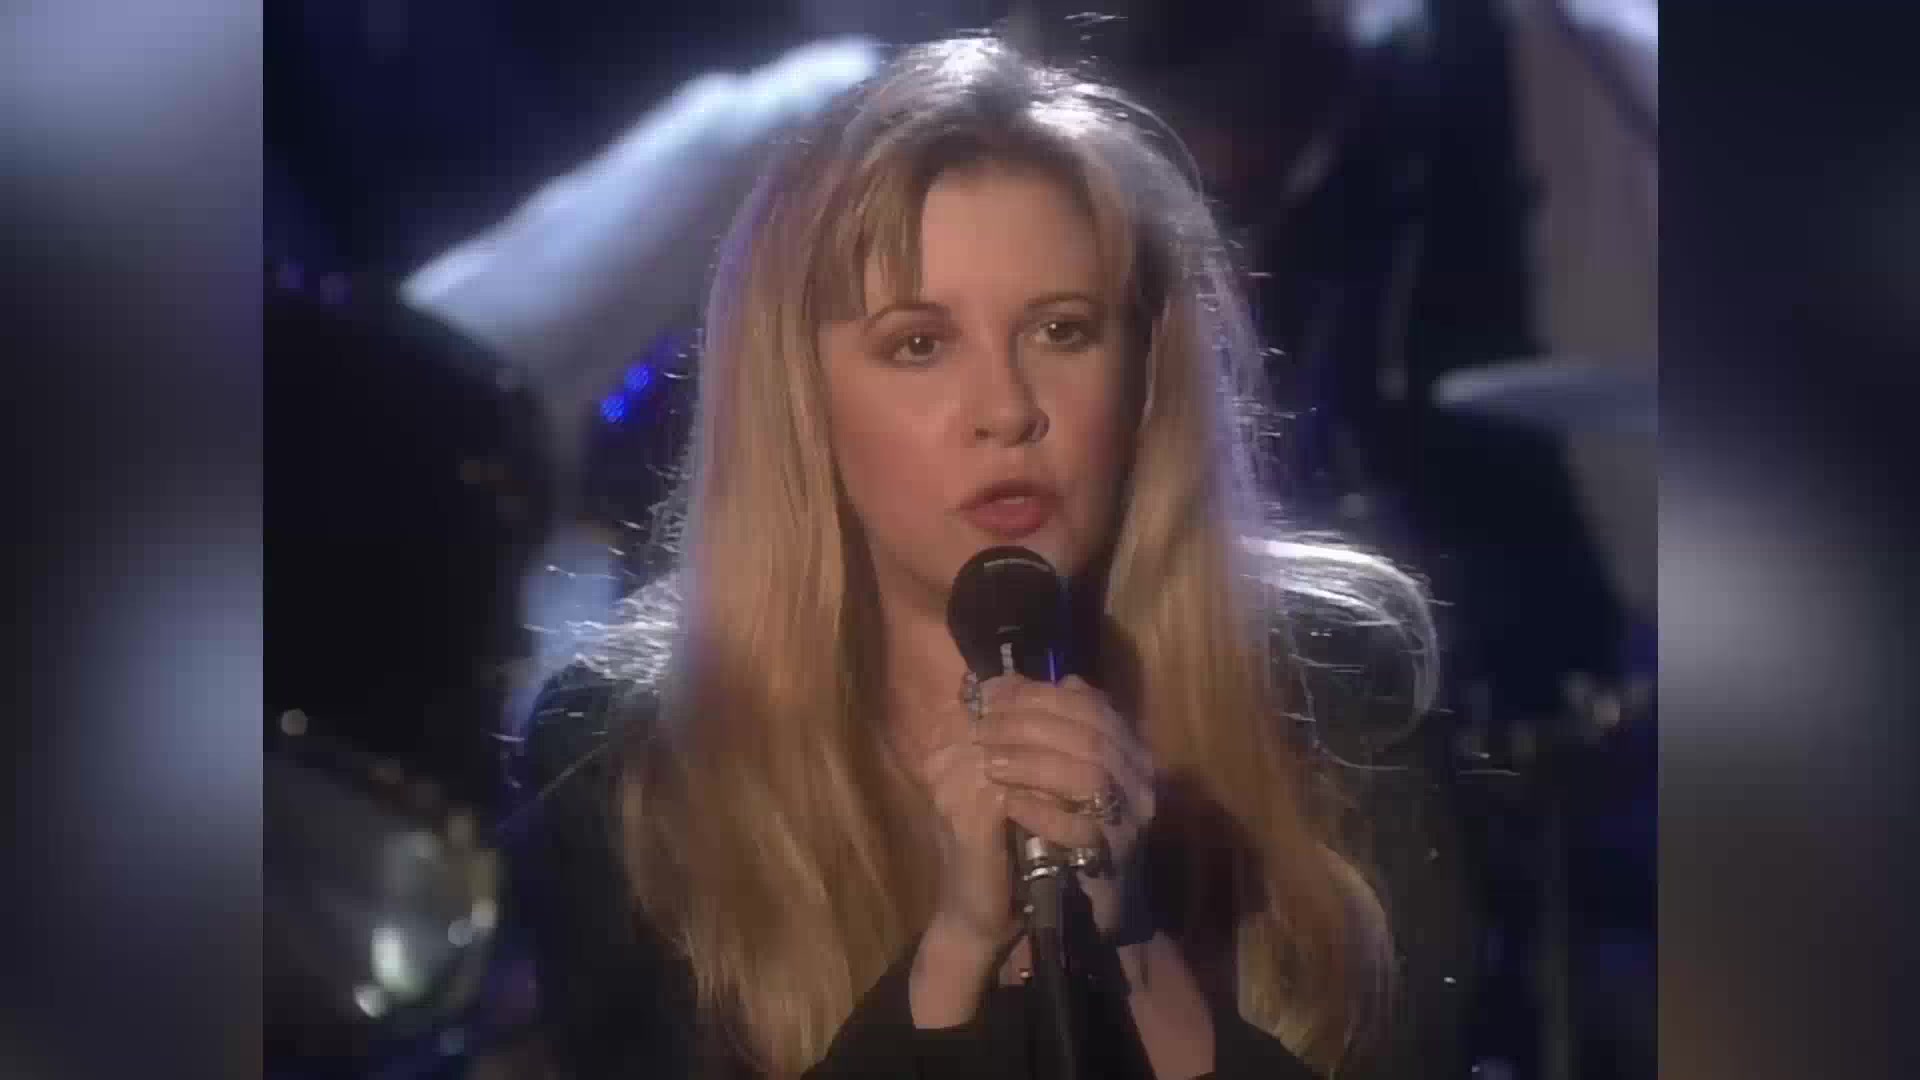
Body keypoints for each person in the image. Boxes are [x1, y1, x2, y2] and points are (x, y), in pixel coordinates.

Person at [511, 35, 1445, 1080]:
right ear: (800, 401)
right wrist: (954, 958)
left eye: (1063, 332)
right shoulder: (628, 762)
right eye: (918, 344)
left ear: (1146, 375)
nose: (1006, 410)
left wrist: (1136, 953)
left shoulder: (1331, 697)